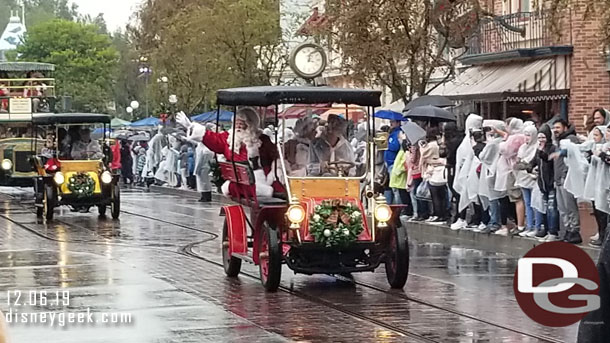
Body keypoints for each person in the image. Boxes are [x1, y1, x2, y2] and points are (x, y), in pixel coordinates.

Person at [176, 108, 284, 198]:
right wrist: (191, 126)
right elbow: (212, 138)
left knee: (284, 191)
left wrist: (275, 172)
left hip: (265, 178)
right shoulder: (228, 139)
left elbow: (276, 157)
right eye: (236, 124)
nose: (238, 127)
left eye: (241, 124)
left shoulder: (262, 139)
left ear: (250, 124)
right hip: (240, 181)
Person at [550, 119, 582, 244]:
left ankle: (575, 230)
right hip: (558, 179)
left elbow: (571, 154)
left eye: (558, 127)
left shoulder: (571, 139)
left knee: (570, 206)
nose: (555, 130)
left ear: (565, 127)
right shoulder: (558, 141)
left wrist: (564, 174)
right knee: (562, 208)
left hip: (567, 178)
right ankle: (567, 230)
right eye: (554, 128)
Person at [451, 114, 483, 230]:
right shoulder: (466, 140)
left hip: (472, 170)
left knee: (475, 195)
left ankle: (476, 218)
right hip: (466, 170)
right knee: (468, 194)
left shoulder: (473, 140)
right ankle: (471, 218)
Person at [420, 127, 448, 224]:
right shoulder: (441, 144)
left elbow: (423, 156)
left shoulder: (430, 146)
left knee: (435, 195)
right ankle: (444, 214)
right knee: (443, 195)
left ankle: (438, 214)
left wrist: (421, 147)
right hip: (443, 170)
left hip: (433, 171)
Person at [383, 120, 402, 203]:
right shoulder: (391, 133)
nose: (391, 123)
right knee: (390, 186)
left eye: (393, 122)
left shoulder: (398, 133)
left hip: (394, 163)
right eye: (390, 121)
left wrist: (387, 143)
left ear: (398, 123)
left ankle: (398, 207)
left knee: (395, 188)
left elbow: (395, 147)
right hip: (389, 163)